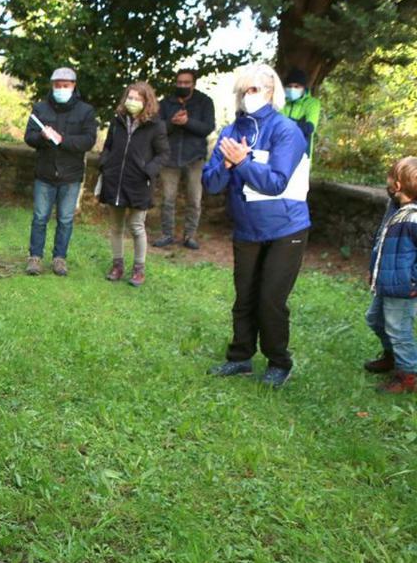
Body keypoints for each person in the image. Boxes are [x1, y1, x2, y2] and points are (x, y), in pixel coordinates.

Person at [202, 64, 311, 389]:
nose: (247, 96)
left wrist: (243, 162)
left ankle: (279, 362)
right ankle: (240, 358)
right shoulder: (230, 131)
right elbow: (210, 183)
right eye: (242, 91)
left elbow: (276, 182)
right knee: (245, 296)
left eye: (254, 90)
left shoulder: (286, 130)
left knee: (270, 299)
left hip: (286, 228)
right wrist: (225, 163)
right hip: (247, 228)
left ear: (271, 92)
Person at [23, 67, 98, 276]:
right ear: (52, 85)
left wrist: (62, 139)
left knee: (65, 219)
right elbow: (29, 137)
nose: (61, 89)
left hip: (71, 175)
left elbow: (89, 140)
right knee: (40, 217)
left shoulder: (86, 111)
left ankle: (59, 259)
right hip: (45, 173)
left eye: (65, 85)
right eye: (57, 85)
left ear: (73, 86)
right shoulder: (40, 108)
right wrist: (42, 137)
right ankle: (35, 257)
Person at [96, 82, 169, 287]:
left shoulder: (156, 125)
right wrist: (105, 163)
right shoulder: (117, 120)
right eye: (130, 97)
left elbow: (163, 154)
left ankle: (138, 269)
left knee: (137, 226)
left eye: (138, 98)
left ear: (147, 101)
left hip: (139, 183)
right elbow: (108, 147)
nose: (132, 102)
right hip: (115, 180)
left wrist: (148, 171)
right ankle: (117, 265)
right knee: (116, 227)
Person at [363, 156, 417, 393]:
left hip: (403, 287)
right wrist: (374, 273)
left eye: (391, 176)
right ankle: (393, 356)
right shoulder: (396, 209)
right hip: (386, 282)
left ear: (398, 184)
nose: (387, 181)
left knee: (398, 328)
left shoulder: (413, 217)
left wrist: (412, 279)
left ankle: (409, 375)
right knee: (374, 319)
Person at [153, 68, 215, 250]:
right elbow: (157, 128)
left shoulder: (204, 102)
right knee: (167, 198)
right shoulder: (166, 103)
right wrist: (173, 122)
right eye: (180, 83)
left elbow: (208, 127)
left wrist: (188, 122)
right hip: (169, 157)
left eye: (186, 83)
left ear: (193, 84)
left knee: (194, 199)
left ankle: (190, 235)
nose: (183, 86)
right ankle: (167, 234)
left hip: (194, 157)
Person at [282, 68, 321, 160]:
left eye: (297, 86)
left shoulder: (312, 103)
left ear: (304, 88)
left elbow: (309, 128)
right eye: (289, 86)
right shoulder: (280, 102)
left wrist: (283, 124)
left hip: (301, 152)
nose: (292, 89)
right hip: (279, 150)